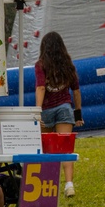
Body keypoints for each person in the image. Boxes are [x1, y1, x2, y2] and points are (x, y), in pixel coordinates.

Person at [34, 31, 83, 197]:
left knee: (47, 151)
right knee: (65, 149)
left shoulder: (41, 65)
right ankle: (69, 184)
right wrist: (78, 114)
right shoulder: (68, 65)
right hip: (64, 108)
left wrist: (37, 111)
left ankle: (48, 186)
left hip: (46, 110)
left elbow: (41, 87)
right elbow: (76, 91)